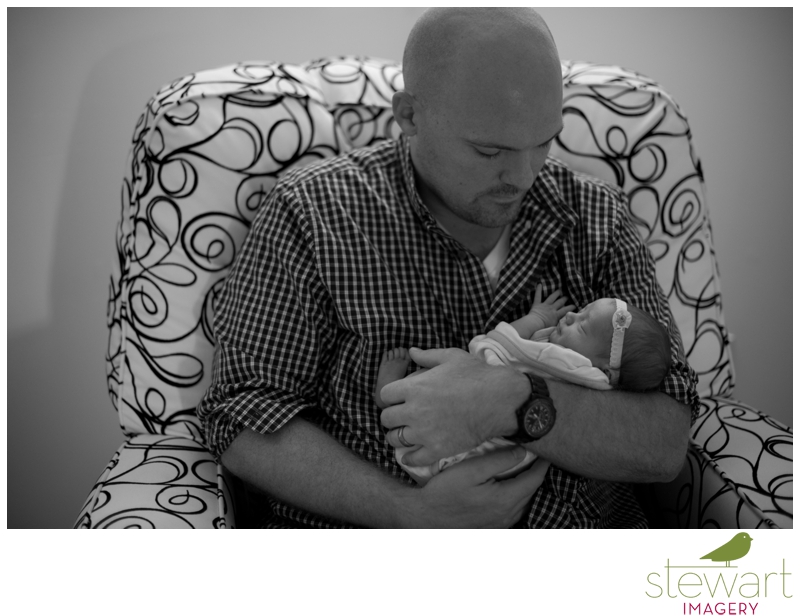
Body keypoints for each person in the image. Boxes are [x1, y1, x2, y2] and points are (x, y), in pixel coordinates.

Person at [198, 7, 698, 528]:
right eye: (489, 150)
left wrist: (511, 400)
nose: (523, 176)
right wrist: (409, 513)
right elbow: (242, 415)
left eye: (543, 142)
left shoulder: (597, 218)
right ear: (410, 115)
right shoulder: (312, 213)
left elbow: (665, 442)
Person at [374, 285, 672, 485]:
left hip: (479, 437)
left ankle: (390, 394)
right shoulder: (577, 361)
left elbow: (505, 343)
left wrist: (537, 318)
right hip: (488, 460)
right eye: (580, 310)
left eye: (581, 325)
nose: (570, 316)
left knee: (436, 381)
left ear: (604, 368)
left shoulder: (576, 368)